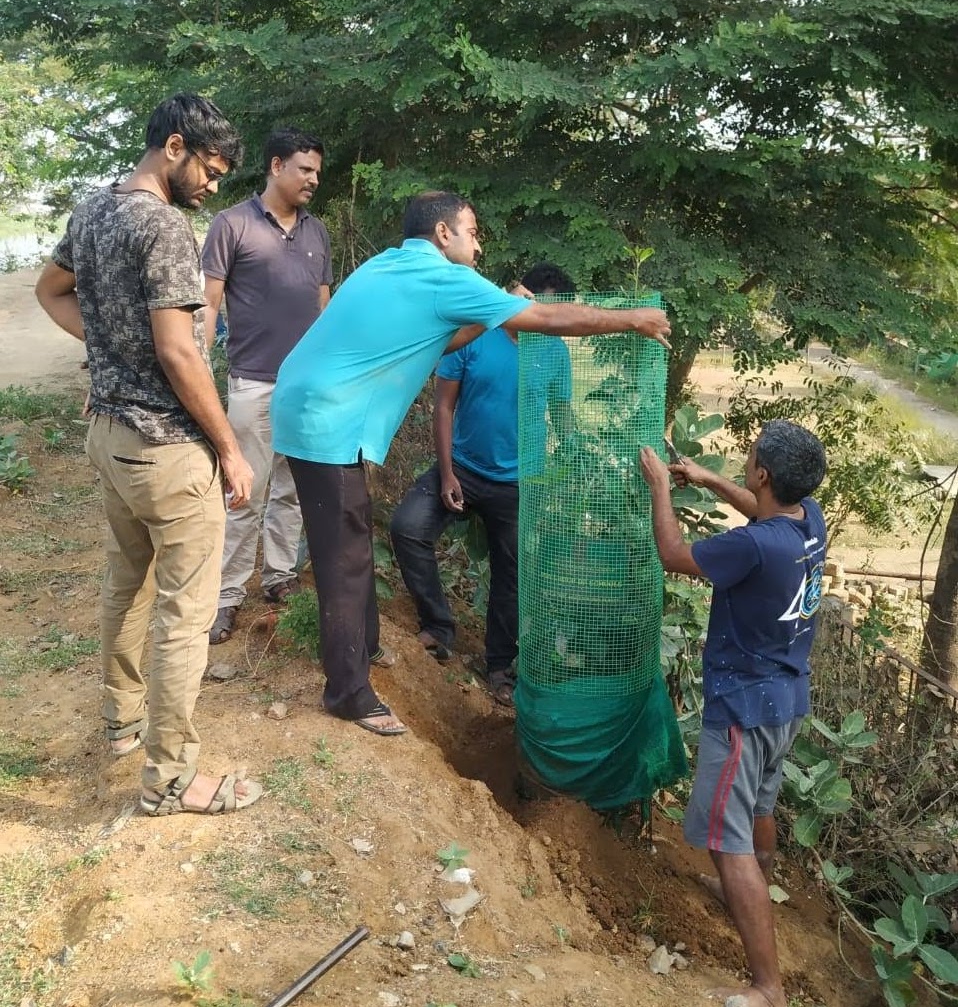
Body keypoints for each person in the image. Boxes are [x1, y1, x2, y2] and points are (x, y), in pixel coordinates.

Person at [271, 190, 671, 738]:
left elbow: (441, 337)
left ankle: (362, 650)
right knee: (342, 559)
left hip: (312, 407)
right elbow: (547, 317)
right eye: (473, 231)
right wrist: (632, 320)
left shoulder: (388, 264)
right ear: (443, 234)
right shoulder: (442, 278)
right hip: (326, 421)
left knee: (353, 540)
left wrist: (491, 310)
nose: (478, 245)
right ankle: (348, 694)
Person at [35, 93, 263, 817]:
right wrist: (228, 447)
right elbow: (176, 349)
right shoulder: (164, 227)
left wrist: (107, 354)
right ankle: (170, 780)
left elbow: (51, 292)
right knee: (183, 611)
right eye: (211, 168)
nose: (214, 185)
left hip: (108, 438)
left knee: (125, 582)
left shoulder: (94, 210)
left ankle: (120, 721)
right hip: (165, 450)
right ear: (174, 147)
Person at [639, 420, 827, 1007]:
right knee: (761, 803)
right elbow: (760, 509)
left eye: (749, 461)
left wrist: (661, 488)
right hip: (787, 701)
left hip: (744, 709)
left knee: (725, 839)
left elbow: (673, 555)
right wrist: (707, 477)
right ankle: (747, 889)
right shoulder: (807, 520)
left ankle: (767, 988)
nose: (746, 466)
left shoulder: (751, 546)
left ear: (764, 472)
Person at [389, 262, 577, 706]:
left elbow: (564, 421)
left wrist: (573, 472)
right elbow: (443, 408)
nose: (546, 321)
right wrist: (448, 473)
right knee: (407, 527)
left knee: (510, 575)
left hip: (518, 484)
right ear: (523, 296)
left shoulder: (554, 352)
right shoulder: (477, 333)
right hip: (463, 468)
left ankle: (499, 666)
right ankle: (438, 627)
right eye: (541, 308)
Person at [202, 126, 332, 644]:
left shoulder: (316, 232)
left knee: (292, 490)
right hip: (252, 383)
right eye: (305, 169)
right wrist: (196, 364)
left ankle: (279, 577)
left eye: (317, 172)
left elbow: (322, 308)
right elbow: (207, 305)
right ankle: (227, 596)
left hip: (304, 387)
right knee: (244, 492)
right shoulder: (231, 224)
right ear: (276, 166)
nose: (313, 180)